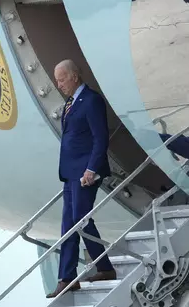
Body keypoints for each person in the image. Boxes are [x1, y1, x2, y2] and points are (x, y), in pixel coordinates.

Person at [46, 60, 116, 299]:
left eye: (62, 79)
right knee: (68, 226)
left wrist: (91, 169)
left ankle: (105, 268)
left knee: (80, 220)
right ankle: (66, 278)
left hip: (85, 173)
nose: (59, 84)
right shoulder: (70, 102)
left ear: (74, 76)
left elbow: (100, 138)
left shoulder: (92, 100)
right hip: (70, 173)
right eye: (57, 80)